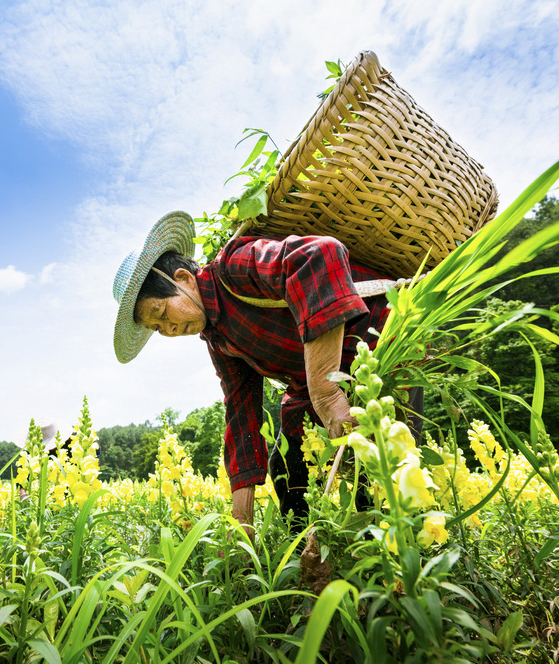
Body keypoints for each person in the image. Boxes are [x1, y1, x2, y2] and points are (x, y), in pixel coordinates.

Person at [112, 211, 421, 541]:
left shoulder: (233, 266)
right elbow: (241, 417)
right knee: (287, 467)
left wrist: (326, 392)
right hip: (315, 385)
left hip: (379, 345)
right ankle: (304, 552)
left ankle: (392, 555)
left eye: (161, 312)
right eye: (157, 329)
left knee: (380, 470)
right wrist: (240, 524)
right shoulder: (220, 340)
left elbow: (320, 255)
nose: (169, 329)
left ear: (184, 279)